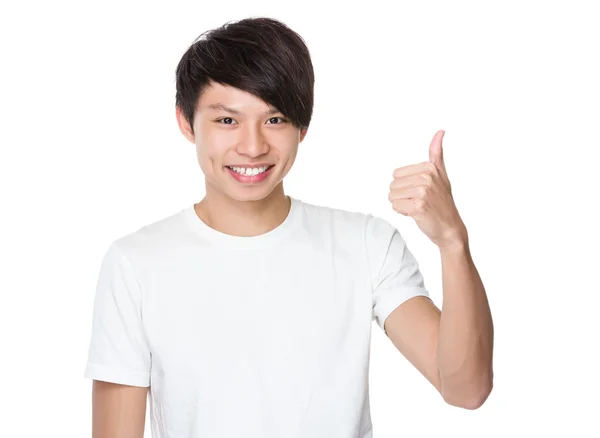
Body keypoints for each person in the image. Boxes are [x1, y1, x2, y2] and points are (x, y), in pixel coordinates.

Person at [83, 16, 494, 438]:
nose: (253, 145)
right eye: (227, 121)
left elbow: (466, 389)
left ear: (303, 126)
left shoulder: (365, 244)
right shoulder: (136, 263)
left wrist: (452, 241)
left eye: (275, 119)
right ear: (187, 123)